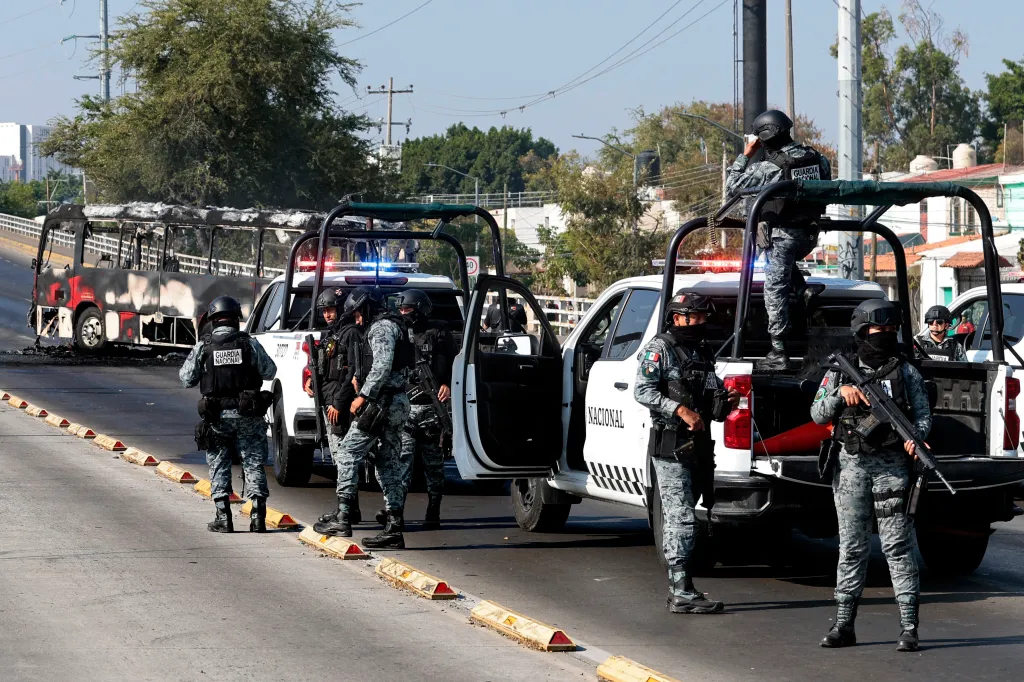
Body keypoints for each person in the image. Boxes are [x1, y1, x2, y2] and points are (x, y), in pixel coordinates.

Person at [810, 299, 931, 652]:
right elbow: (817, 413)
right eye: (880, 331)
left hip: (892, 470)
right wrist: (839, 394)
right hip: (851, 469)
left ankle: (909, 627)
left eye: (892, 332)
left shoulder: (906, 371)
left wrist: (916, 438)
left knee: (897, 547)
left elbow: (923, 415)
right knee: (852, 548)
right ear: (862, 332)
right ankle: (844, 624)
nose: (886, 337)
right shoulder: (841, 370)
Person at [634, 291, 740, 614]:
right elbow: (642, 390)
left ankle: (681, 587)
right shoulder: (660, 349)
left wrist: (726, 400)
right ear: (678, 317)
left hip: (697, 449)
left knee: (688, 512)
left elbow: (712, 392)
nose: (700, 323)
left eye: (703, 318)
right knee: (680, 517)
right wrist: (680, 410)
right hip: (671, 446)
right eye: (695, 317)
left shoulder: (703, 351)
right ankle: (681, 589)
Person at [726, 109, 832, 371]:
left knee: (774, 291)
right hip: (809, 236)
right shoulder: (818, 159)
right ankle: (803, 289)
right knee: (778, 262)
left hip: (782, 238)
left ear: (765, 137)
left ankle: (778, 352)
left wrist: (747, 153)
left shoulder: (771, 166)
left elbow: (732, 186)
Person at [312, 286, 413, 549]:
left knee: (346, 453)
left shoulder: (380, 328)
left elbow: (381, 366)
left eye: (358, 313)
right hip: (396, 401)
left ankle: (344, 516)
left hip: (380, 404)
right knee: (387, 463)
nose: (357, 319)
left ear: (368, 307)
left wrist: (363, 397)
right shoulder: (397, 326)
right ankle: (394, 527)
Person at [179, 296, 277, 533]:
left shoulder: (204, 346)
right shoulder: (249, 344)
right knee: (253, 462)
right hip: (248, 415)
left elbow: (186, 378)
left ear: (212, 320)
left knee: (219, 462)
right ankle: (258, 517)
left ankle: (223, 517)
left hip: (218, 416)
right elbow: (270, 371)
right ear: (236, 319)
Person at [373, 289, 455, 530]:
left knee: (434, 464)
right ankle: (395, 511)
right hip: (407, 407)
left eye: (407, 310)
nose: (403, 314)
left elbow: (455, 361)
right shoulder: (398, 333)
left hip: (432, 408)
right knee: (402, 461)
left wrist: (448, 384)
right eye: (401, 310)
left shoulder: (439, 333)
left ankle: (433, 509)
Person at [304, 288, 366, 523]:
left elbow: (352, 372)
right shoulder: (333, 334)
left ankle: (346, 510)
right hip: (329, 400)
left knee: (343, 459)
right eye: (325, 311)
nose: (328, 314)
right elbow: (325, 367)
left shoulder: (350, 333)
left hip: (340, 404)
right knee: (339, 458)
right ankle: (350, 508)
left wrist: (339, 403)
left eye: (331, 309)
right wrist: (312, 379)